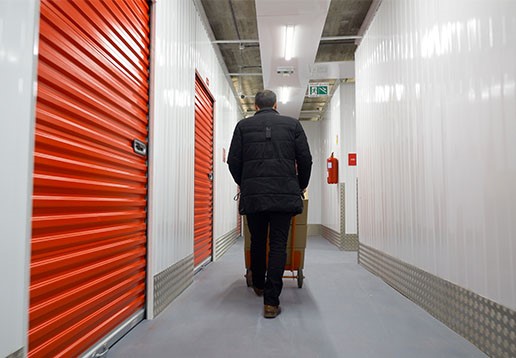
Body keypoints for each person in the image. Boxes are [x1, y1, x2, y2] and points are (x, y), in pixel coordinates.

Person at [227, 89, 312, 318]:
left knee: (257, 240)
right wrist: (300, 185)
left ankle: (259, 285)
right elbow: (305, 159)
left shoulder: (243, 127)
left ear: (255, 106)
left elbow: (233, 160)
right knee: (277, 245)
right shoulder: (293, 125)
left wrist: (246, 182)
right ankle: (271, 303)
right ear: (275, 105)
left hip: (254, 195)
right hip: (284, 195)